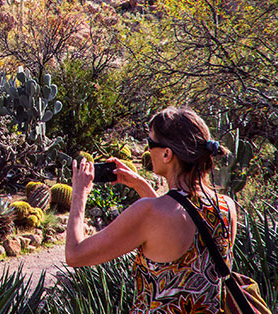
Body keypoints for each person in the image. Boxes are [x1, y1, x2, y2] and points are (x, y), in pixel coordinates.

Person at [64, 106, 238, 313]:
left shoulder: (149, 212)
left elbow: (75, 255)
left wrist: (79, 194)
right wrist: (140, 185)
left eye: (150, 143)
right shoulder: (227, 207)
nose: (147, 151)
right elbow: (176, 222)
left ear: (167, 154)